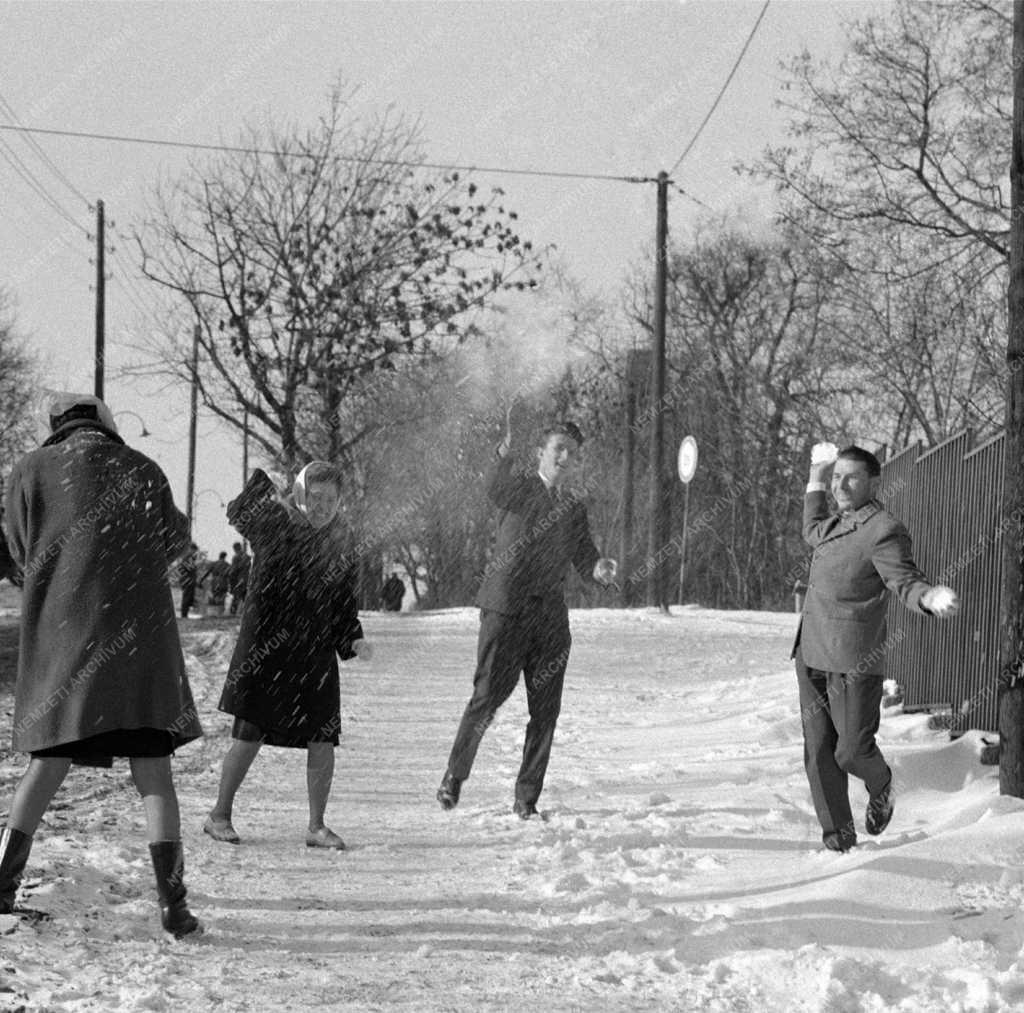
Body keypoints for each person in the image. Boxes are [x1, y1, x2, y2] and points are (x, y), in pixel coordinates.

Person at [0, 394, 202, 937]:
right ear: (104, 424)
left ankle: (1, 887)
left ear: (57, 427)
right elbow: (176, 542)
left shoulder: (30, 471)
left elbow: (19, 550)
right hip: (139, 645)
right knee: (154, 773)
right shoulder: (142, 467)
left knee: (48, 762)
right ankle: (173, 906)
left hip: (68, 641)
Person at [437, 419, 617, 819]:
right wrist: (501, 455)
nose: (566, 458)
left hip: (550, 619)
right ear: (541, 452)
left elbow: (586, 559)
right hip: (506, 611)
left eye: (573, 452)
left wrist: (600, 569)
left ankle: (526, 800)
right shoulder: (518, 488)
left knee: (546, 712)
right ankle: (455, 776)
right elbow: (492, 487)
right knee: (486, 699)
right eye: (559, 448)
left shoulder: (573, 509)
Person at [795, 443, 960, 852]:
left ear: (874, 482)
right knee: (818, 754)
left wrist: (926, 597)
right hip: (810, 651)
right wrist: (816, 474)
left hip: (853, 658)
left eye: (850, 477)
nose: (841, 485)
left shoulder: (883, 529)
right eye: (837, 477)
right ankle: (839, 841)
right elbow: (811, 525)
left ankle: (882, 783)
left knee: (851, 752)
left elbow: (903, 580)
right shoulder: (832, 524)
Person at [204, 462, 370, 850]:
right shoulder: (276, 524)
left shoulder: (343, 541)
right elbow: (239, 510)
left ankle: (316, 826)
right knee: (249, 737)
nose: (323, 506)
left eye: (331, 499)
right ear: (299, 494)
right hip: (268, 651)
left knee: (323, 738)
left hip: (314, 653)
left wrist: (354, 639)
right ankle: (219, 815)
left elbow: (345, 603)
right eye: (315, 497)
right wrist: (271, 491)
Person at [201, 551, 231, 615]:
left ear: (219, 556)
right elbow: (230, 575)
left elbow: (207, 573)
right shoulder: (227, 565)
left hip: (215, 582)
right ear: (225, 557)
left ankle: (213, 612)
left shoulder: (214, 564)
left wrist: (201, 579)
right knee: (222, 597)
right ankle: (220, 613)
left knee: (214, 596)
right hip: (223, 582)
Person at [227, 541, 252, 616]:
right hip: (247, 578)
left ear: (235, 548)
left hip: (239, 579)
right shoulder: (247, 556)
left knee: (236, 596)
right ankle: (248, 612)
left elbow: (234, 570)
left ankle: (232, 613)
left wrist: (231, 577)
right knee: (245, 596)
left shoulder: (236, 557)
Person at [178, 542, 199, 619]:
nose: (195, 552)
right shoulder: (188, 557)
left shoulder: (189, 557)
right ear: (191, 549)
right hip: (188, 580)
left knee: (188, 597)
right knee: (186, 597)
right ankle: (184, 615)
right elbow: (184, 569)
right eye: (194, 550)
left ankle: (185, 614)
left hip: (188, 580)